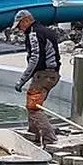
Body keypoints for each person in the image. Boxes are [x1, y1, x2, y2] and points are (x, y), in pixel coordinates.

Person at [12, 9, 61, 145]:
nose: (20, 29)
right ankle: (33, 137)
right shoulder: (45, 30)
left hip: (44, 75)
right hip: (52, 74)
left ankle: (50, 139)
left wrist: (22, 80)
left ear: (26, 20)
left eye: (20, 25)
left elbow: (35, 58)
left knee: (34, 108)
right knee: (32, 106)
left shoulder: (34, 34)